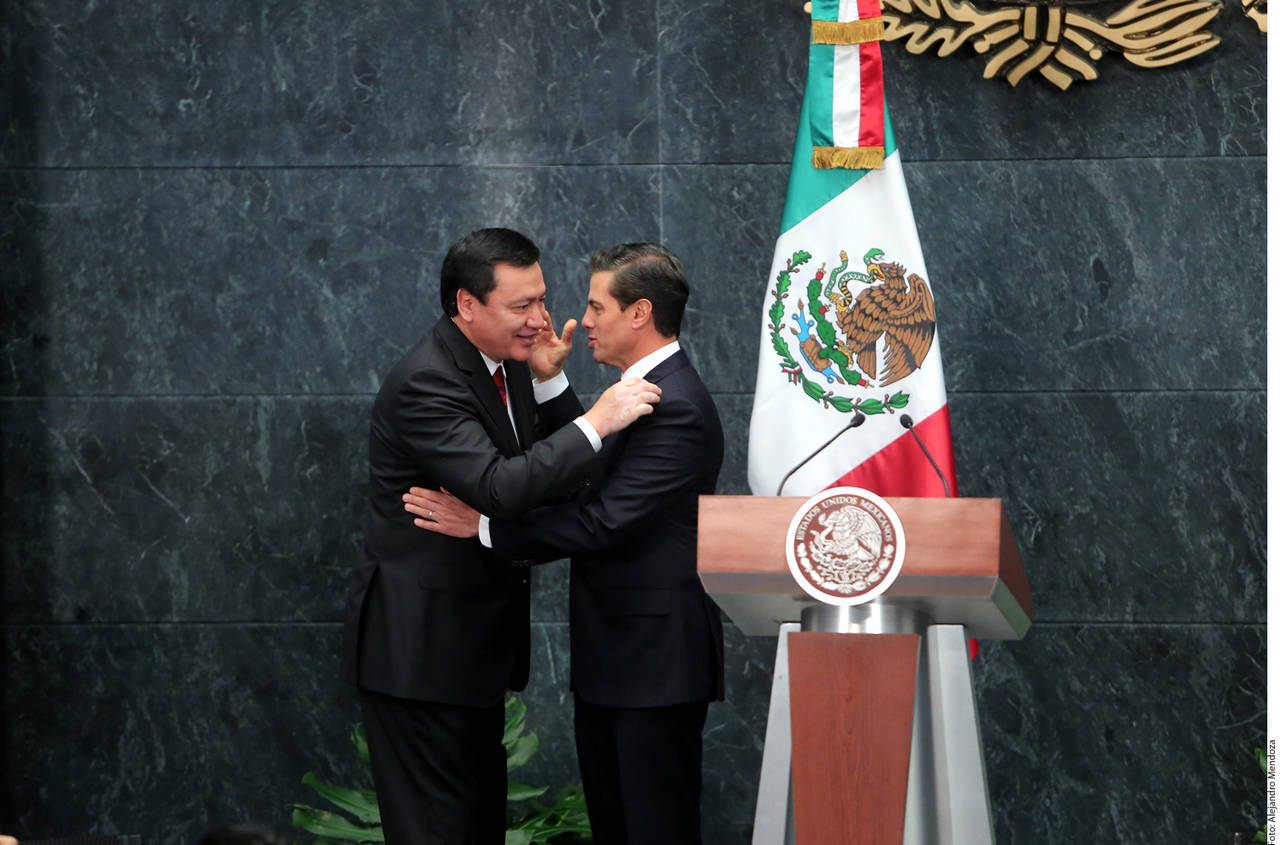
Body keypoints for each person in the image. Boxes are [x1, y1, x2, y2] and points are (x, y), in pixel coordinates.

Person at [340, 228, 662, 845]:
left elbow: (569, 483)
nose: (541, 319)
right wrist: (598, 419)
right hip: (420, 657)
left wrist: (548, 384)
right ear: (467, 304)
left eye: (542, 299)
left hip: (472, 657)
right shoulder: (427, 380)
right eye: (522, 305)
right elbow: (499, 487)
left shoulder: (510, 364)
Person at [404, 243, 725, 845]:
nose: (584, 320)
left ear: (639, 313)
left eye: (597, 306)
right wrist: (550, 382)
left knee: (654, 828)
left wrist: (484, 527)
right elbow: (593, 474)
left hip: (654, 663)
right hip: (618, 658)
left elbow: (603, 519)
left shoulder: (677, 404)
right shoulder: (644, 391)